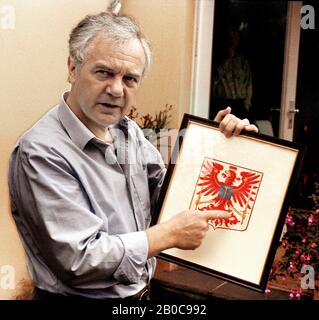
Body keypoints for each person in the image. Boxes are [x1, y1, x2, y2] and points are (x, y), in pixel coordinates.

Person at [7, 12, 258, 300]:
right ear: (73, 68)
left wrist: (220, 151)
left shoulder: (129, 133)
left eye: (129, 79)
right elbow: (79, 260)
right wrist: (168, 235)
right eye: (104, 72)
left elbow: (168, 198)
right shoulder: (41, 152)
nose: (116, 89)